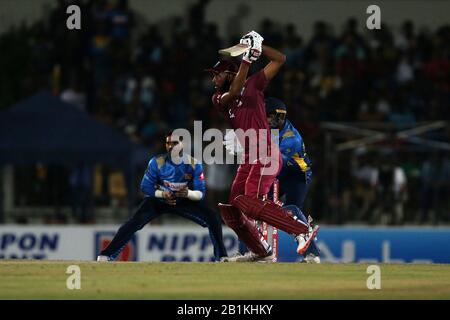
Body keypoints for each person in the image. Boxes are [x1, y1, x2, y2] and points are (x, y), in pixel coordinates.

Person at [206, 30, 319, 262]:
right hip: (250, 155)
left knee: (251, 202)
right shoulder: (219, 98)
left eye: (217, 75)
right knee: (234, 205)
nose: (213, 80)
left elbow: (280, 59)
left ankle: (301, 231)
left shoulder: (254, 84)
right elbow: (235, 91)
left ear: (229, 73)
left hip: (265, 153)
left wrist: (260, 47)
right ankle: (261, 251)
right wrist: (248, 57)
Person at [97, 132, 228, 262]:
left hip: (183, 199)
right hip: (159, 200)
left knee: (213, 217)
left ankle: (221, 256)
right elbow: (145, 186)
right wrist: (162, 194)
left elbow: (200, 193)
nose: (171, 146)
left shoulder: (194, 164)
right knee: (134, 222)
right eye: (168, 143)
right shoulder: (156, 162)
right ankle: (106, 255)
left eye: (175, 143)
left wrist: (188, 193)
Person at [265, 97, 320, 263]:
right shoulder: (270, 128)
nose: (265, 120)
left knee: (291, 210)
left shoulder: (291, 138)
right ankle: (260, 251)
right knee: (260, 206)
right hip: (280, 172)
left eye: (268, 116)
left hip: (297, 175)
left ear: (280, 117)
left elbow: (272, 160)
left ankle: (312, 254)